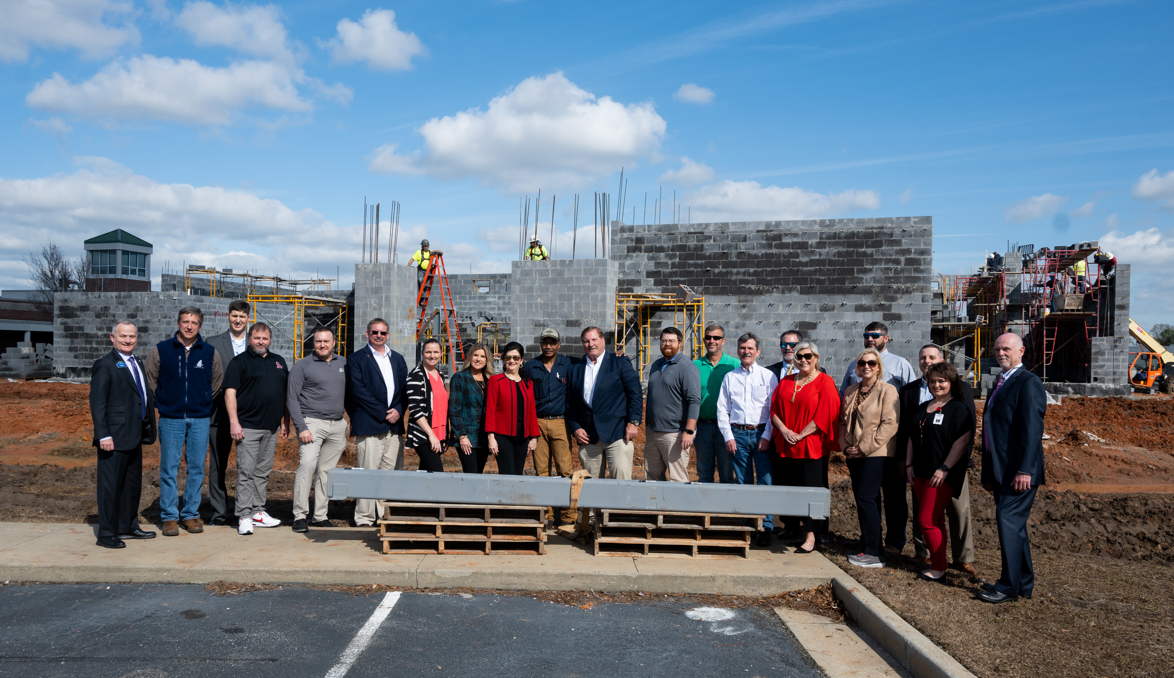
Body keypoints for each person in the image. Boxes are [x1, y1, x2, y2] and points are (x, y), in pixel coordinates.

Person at [977, 333, 1047, 604]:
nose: (1001, 353)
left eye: (1006, 348)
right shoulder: (1000, 381)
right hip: (1001, 470)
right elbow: (993, 432)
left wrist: (1025, 471)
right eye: (997, 349)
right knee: (1014, 527)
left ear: (1021, 351)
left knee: (1008, 522)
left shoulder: (1028, 382)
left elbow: (1032, 430)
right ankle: (1023, 583)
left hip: (1019, 471)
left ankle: (1007, 587)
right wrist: (988, 472)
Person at [899, 344, 980, 580]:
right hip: (921, 471)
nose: (937, 385)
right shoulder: (924, 407)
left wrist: (944, 468)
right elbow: (912, 436)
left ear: (951, 382)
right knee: (934, 520)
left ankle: (939, 567)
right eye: (933, 381)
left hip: (943, 473)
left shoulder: (959, 407)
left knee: (926, 519)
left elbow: (963, 440)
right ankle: (939, 564)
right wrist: (909, 464)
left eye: (942, 381)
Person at [144, 306, 222, 537]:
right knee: (169, 467)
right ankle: (169, 516)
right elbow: (151, 381)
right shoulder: (161, 351)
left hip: (199, 419)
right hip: (171, 419)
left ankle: (190, 514)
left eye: (194, 322)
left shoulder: (209, 352)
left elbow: (216, 383)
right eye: (186, 321)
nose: (189, 326)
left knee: (196, 468)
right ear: (178, 323)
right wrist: (164, 403)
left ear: (200, 326)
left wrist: (204, 401)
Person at [767, 341, 840, 554]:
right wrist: (784, 431)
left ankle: (811, 535)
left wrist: (801, 434)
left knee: (812, 491)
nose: (804, 360)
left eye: (808, 356)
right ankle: (792, 527)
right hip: (786, 443)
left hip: (810, 446)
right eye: (800, 356)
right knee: (788, 488)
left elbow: (827, 413)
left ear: (816, 357)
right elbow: (773, 409)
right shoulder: (787, 380)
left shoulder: (825, 382)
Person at [89, 320, 157, 548]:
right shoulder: (105, 364)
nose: (128, 340)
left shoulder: (136, 361)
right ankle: (107, 533)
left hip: (134, 435)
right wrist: (103, 435)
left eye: (132, 336)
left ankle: (128, 526)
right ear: (112, 338)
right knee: (110, 487)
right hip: (114, 439)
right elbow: (98, 403)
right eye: (123, 336)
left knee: (131, 486)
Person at [224, 322, 289, 536]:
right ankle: (243, 515)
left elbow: (284, 394)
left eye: (265, 338)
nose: (261, 342)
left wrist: (285, 421)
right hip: (248, 427)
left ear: (270, 340)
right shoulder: (239, 362)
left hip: (270, 428)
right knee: (246, 472)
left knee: (262, 472)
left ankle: (258, 511)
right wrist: (234, 422)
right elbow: (230, 393)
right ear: (249, 338)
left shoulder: (278, 361)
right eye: (256, 338)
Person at [717, 333, 779, 546]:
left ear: (758, 352)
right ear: (738, 350)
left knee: (765, 481)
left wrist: (767, 435)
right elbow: (722, 409)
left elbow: (773, 409)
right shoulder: (730, 377)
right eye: (743, 348)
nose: (746, 351)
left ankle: (766, 527)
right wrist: (728, 436)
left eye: (750, 348)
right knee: (743, 481)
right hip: (738, 435)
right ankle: (749, 524)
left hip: (761, 433)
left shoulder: (768, 376)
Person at [839, 348, 899, 568]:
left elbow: (889, 424)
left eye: (872, 363)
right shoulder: (851, 390)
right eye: (863, 362)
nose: (867, 366)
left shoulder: (887, 390)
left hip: (875, 453)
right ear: (857, 366)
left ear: (878, 366)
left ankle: (873, 552)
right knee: (867, 500)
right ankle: (868, 542)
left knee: (866, 497)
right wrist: (845, 446)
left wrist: (863, 448)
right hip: (853, 454)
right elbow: (843, 423)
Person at [346, 318, 408, 527]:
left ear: (388, 335)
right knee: (368, 472)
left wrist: (398, 411)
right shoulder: (356, 359)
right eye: (375, 332)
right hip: (370, 424)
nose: (379, 336)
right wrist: (383, 413)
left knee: (389, 473)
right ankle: (364, 517)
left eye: (382, 333)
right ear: (367, 334)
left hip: (394, 425)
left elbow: (404, 391)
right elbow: (358, 391)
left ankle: (384, 515)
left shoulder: (398, 359)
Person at [287, 327, 347, 533]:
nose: (322, 345)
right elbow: (292, 398)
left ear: (334, 342)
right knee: (307, 465)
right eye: (318, 341)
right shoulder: (302, 366)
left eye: (326, 341)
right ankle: (300, 516)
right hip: (311, 423)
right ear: (313, 342)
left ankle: (320, 516)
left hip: (337, 425)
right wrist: (301, 427)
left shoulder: (343, 363)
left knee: (327, 472)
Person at [566, 326, 642, 481]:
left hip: (618, 434)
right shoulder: (575, 369)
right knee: (590, 486)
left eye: (594, 339)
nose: (591, 344)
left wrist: (633, 422)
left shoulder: (619, 362)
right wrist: (575, 427)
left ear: (602, 340)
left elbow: (635, 394)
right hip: (588, 436)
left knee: (621, 482)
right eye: (586, 341)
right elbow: (570, 402)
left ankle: (618, 507)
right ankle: (593, 507)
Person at [523, 329, 578, 525]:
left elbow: (594, 360)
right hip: (537, 422)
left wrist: (618, 356)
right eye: (545, 342)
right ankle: (546, 514)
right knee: (542, 471)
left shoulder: (569, 363)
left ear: (559, 344)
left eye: (552, 342)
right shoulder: (531, 366)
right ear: (540, 345)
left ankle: (568, 516)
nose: (548, 346)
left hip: (561, 422)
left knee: (565, 470)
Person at [206, 298, 250, 526]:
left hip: (249, 416)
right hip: (219, 416)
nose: (238, 320)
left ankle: (247, 511)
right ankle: (219, 513)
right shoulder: (213, 343)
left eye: (242, 316)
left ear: (248, 319)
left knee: (249, 467)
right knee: (218, 466)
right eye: (234, 315)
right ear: (228, 316)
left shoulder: (256, 343)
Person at [645, 327, 701, 482]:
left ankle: (679, 507)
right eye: (664, 341)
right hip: (653, 432)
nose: (667, 344)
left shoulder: (687, 367)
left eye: (671, 341)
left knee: (677, 479)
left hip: (675, 433)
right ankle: (657, 507)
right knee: (652, 477)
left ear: (680, 343)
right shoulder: (656, 365)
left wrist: (688, 431)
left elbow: (694, 401)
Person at [694, 323, 740, 484]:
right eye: (708, 337)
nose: (712, 341)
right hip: (702, 426)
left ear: (723, 341)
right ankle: (706, 509)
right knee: (704, 473)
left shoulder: (734, 365)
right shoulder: (695, 365)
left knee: (727, 473)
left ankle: (726, 509)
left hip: (726, 427)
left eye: (716, 338)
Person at [486, 342, 540, 475]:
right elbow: (490, 410)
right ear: (503, 360)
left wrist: (534, 438)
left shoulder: (528, 383)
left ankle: (515, 497)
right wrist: (491, 438)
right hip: (502, 436)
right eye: (508, 357)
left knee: (517, 473)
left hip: (522, 437)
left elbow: (531, 412)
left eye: (515, 358)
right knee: (507, 472)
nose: (512, 361)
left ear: (521, 360)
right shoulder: (495, 380)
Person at [405, 338, 448, 473]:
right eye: (428, 352)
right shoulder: (416, 376)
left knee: (426, 474)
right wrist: (431, 435)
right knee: (437, 473)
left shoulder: (440, 375)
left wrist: (444, 435)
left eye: (436, 352)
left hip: (438, 433)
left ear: (441, 354)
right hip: (424, 434)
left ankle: (415, 494)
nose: (432, 356)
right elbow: (415, 409)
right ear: (422, 353)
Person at [450, 343, 494, 474]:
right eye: (475, 355)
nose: (478, 359)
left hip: (483, 436)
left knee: (479, 473)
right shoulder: (460, 377)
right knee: (471, 473)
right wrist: (461, 435)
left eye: (482, 356)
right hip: (467, 435)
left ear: (487, 360)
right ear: (470, 357)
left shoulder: (490, 380)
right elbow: (454, 409)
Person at [840, 322, 917, 394]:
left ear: (886, 338)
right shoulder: (855, 364)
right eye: (866, 336)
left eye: (875, 336)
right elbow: (844, 395)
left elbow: (912, 395)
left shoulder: (900, 364)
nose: (870, 339)